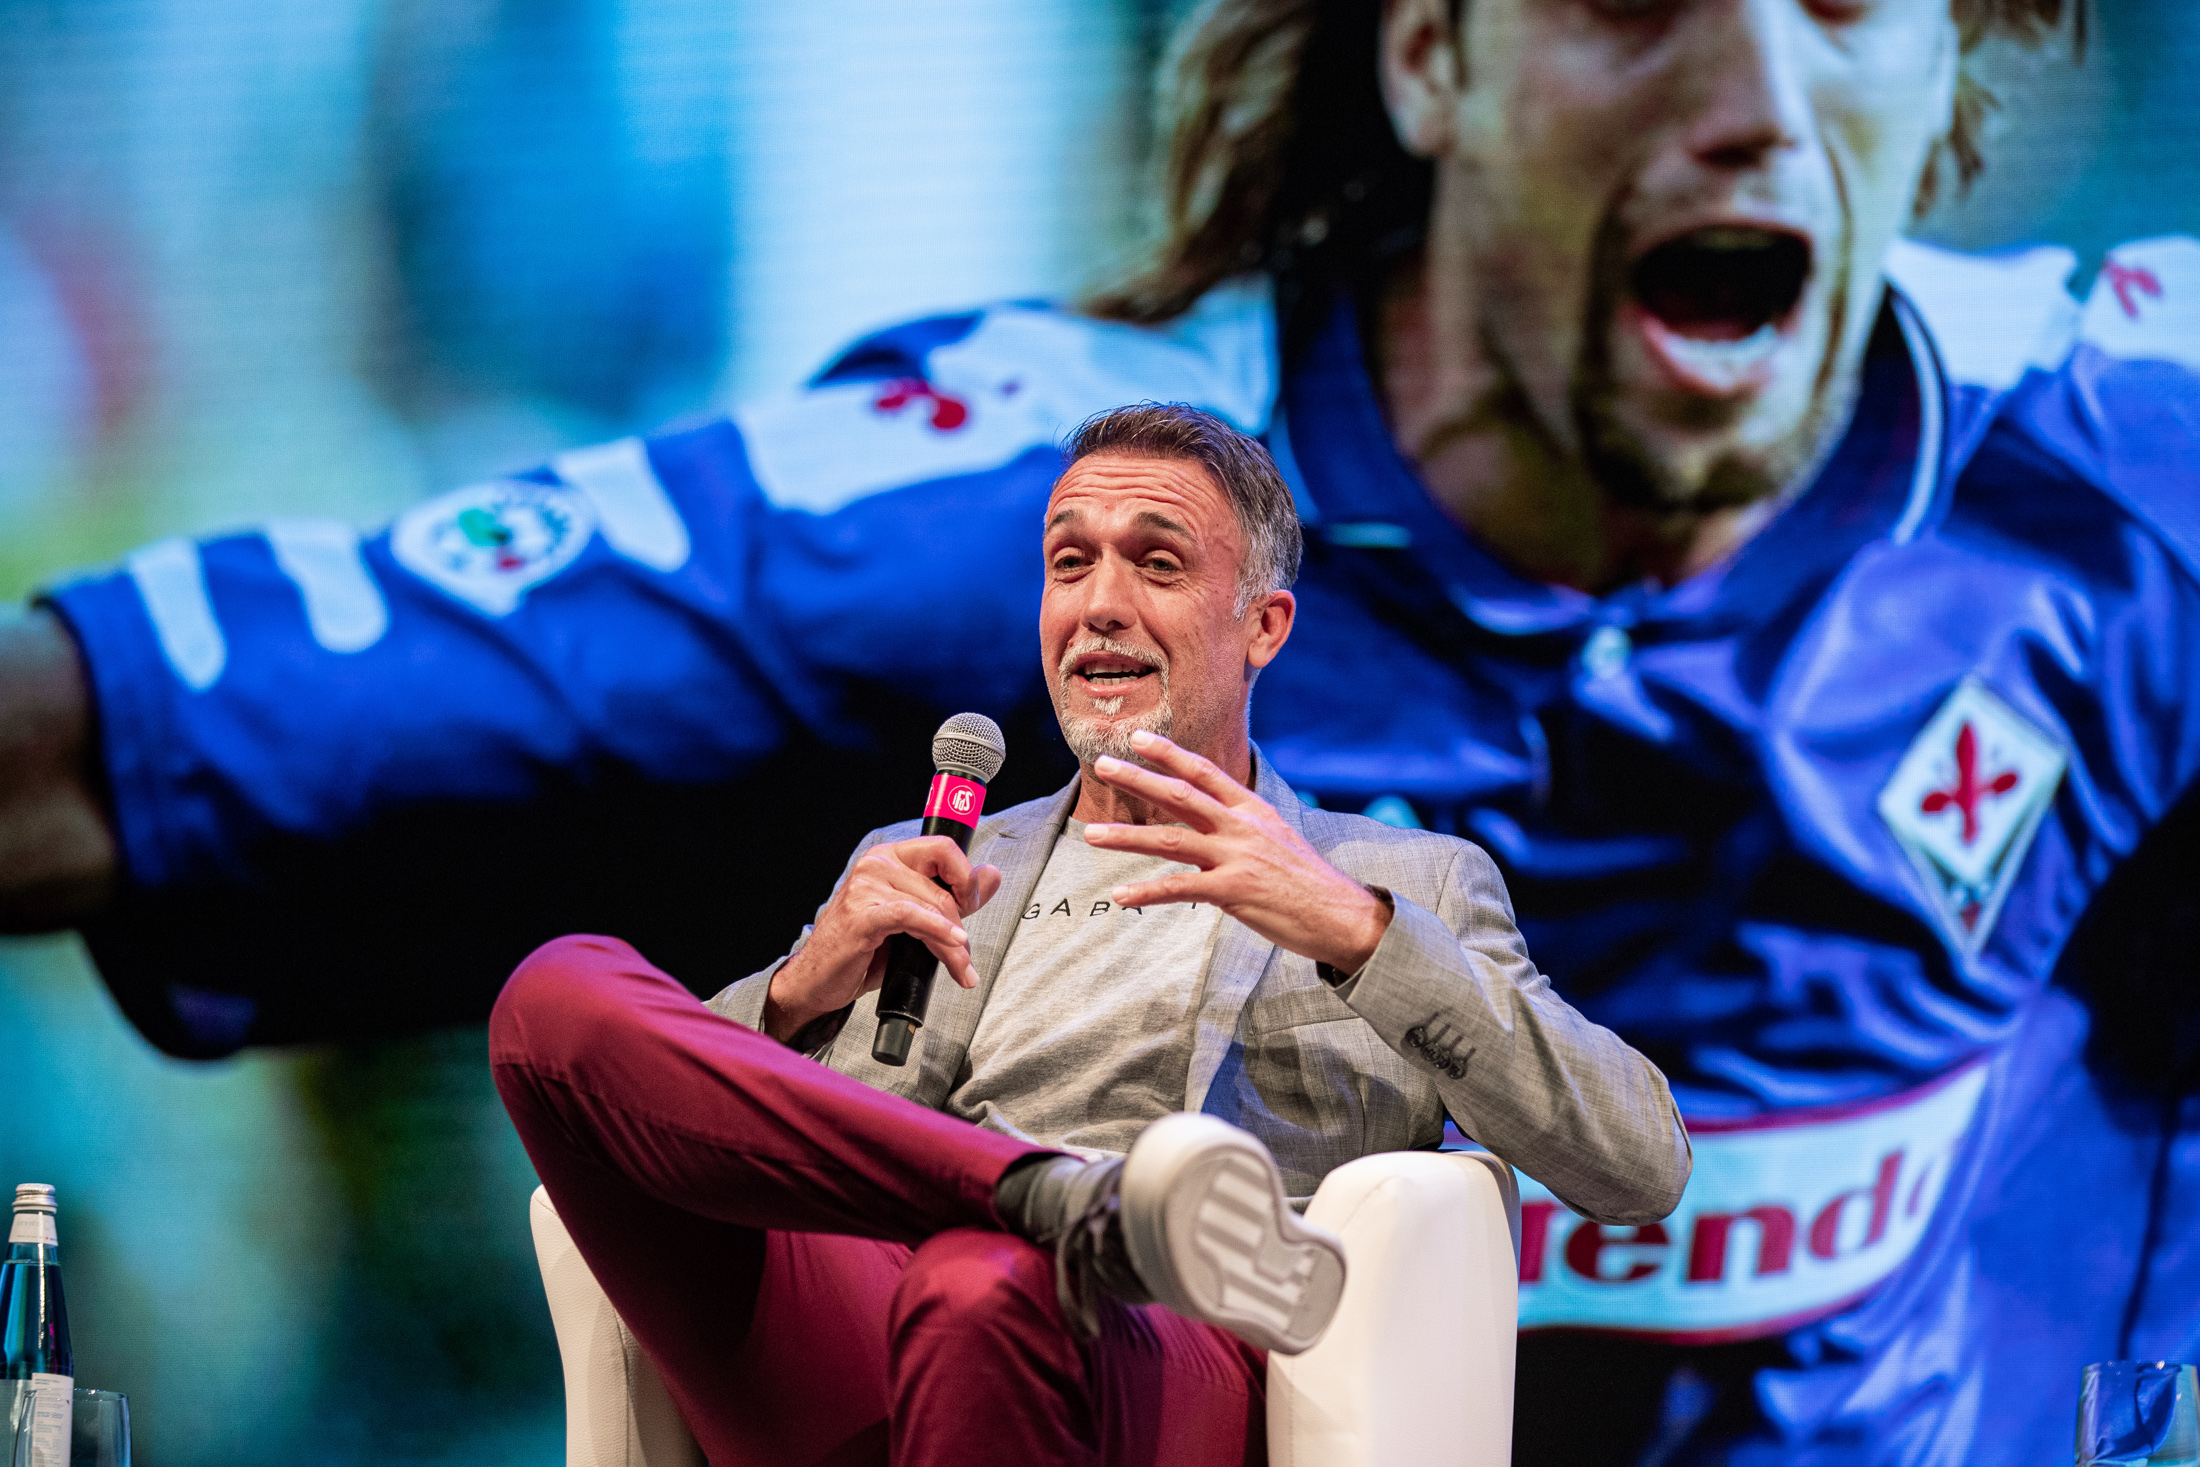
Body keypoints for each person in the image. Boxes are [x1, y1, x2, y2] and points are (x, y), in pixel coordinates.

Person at [0, 0, 2192, 1460]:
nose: (1748, 94)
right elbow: (104, 745)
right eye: (1629, 0)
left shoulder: (2126, 475)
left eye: (1836, 0)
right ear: (1428, 55)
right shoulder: (1003, 512)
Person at [489, 402, 1689, 1467]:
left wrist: (1355, 931)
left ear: (1261, 625)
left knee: (983, 1281)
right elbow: (660, 1118)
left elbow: (1637, 1165)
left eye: (1156, 564)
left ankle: (1042, 1222)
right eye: (1071, 564)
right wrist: (801, 992)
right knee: (554, 995)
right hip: (861, 1325)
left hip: (1165, 1346)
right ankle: (1039, 1192)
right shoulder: (933, 864)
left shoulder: (1394, 876)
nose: (1100, 604)